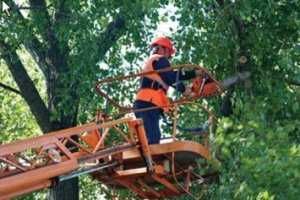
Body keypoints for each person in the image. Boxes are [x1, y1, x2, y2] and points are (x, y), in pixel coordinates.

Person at [133, 36, 216, 144]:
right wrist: (187, 86)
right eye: (169, 53)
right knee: (152, 138)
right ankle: (148, 160)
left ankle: (147, 157)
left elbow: (170, 76)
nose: (169, 57)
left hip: (146, 103)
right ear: (164, 49)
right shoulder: (160, 59)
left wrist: (189, 81)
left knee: (151, 136)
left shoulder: (154, 62)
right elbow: (171, 77)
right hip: (148, 102)